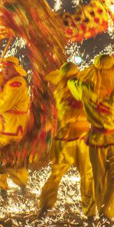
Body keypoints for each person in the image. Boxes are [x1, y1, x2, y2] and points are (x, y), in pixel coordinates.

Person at [68, 54, 114, 221]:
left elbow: (71, 83)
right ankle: (107, 211)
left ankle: (100, 209)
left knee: (99, 177)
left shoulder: (85, 87)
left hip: (97, 139)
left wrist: (89, 82)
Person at [37, 61, 94, 218]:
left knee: (57, 173)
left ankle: (45, 206)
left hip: (68, 135)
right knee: (87, 174)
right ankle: (90, 212)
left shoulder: (60, 88)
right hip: (81, 136)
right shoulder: (79, 86)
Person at [0, 56, 31, 197]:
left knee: (12, 156)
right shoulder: (3, 78)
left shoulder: (18, 83)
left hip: (14, 126)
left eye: (9, 68)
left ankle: (21, 183)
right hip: (2, 125)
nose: (6, 70)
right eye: (4, 67)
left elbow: (5, 105)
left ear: (16, 69)